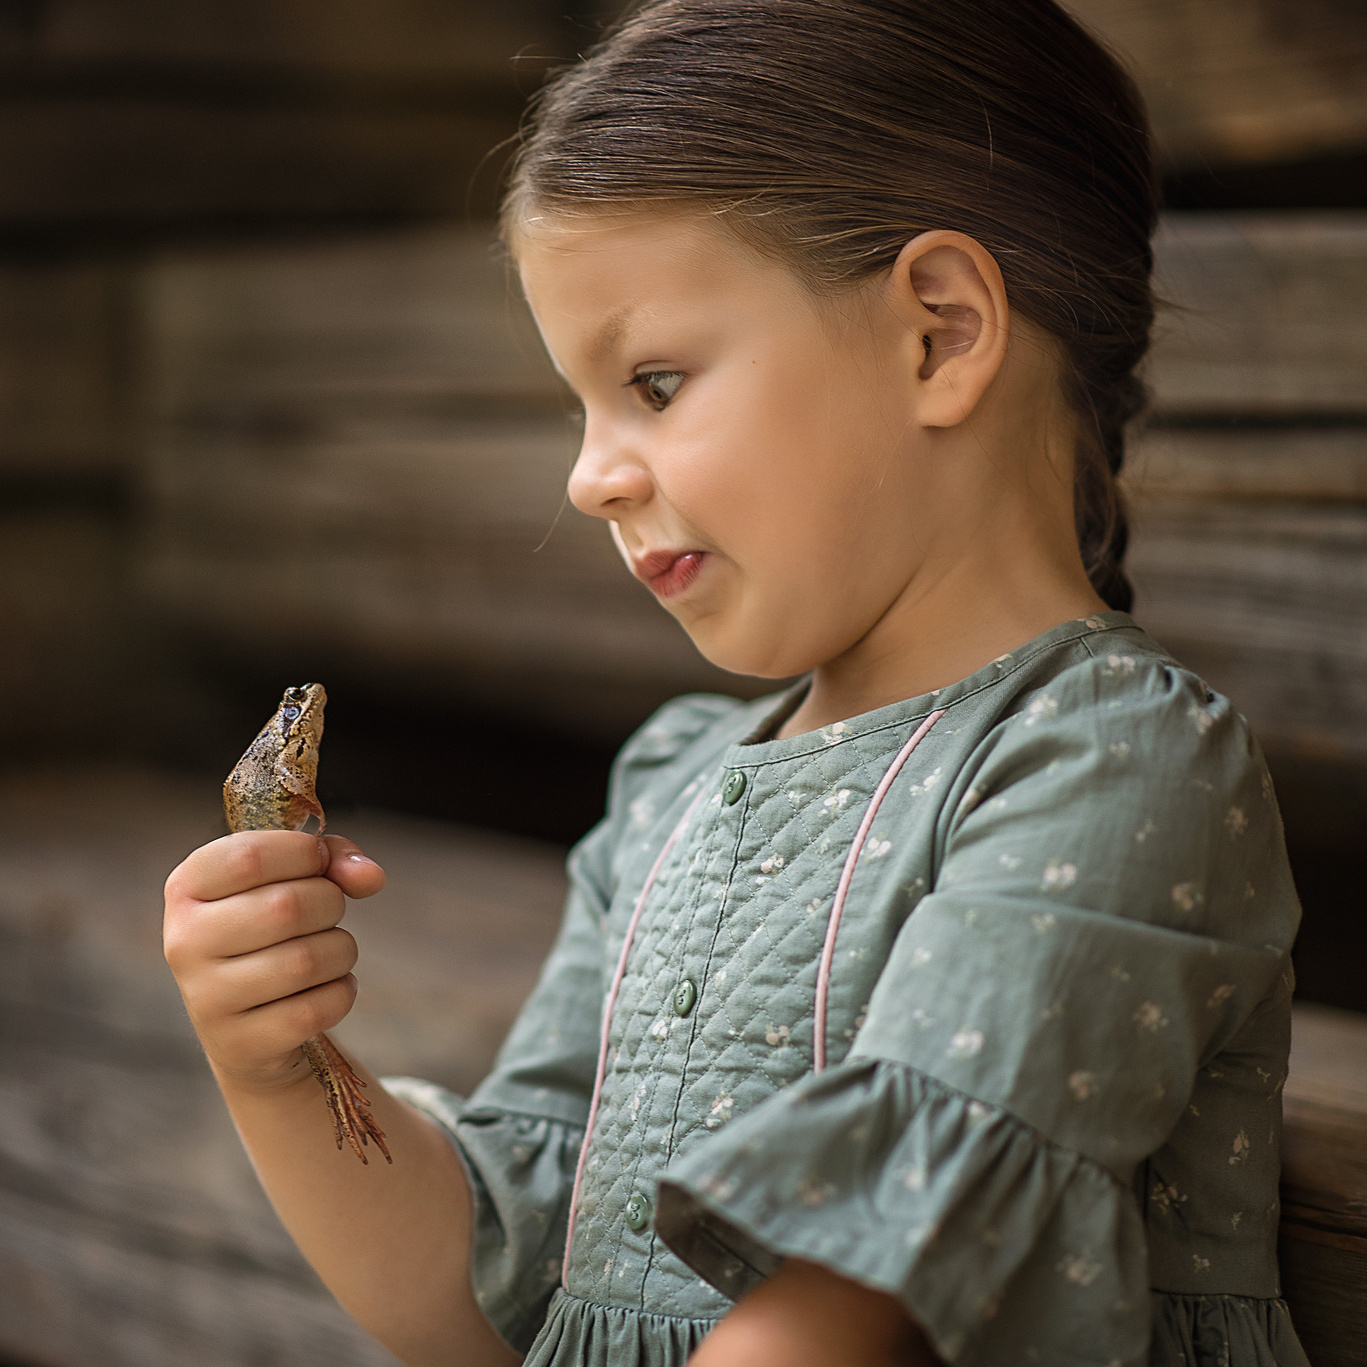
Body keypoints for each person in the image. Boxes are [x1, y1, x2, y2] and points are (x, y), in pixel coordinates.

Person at [162, 2, 1311, 1363]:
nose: (589, 477)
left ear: (940, 334)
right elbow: (489, 1301)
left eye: (652, 383)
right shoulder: (673, 792)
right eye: (581, 408)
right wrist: (278, 1067)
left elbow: (847, 1310)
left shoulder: (1109, 767)